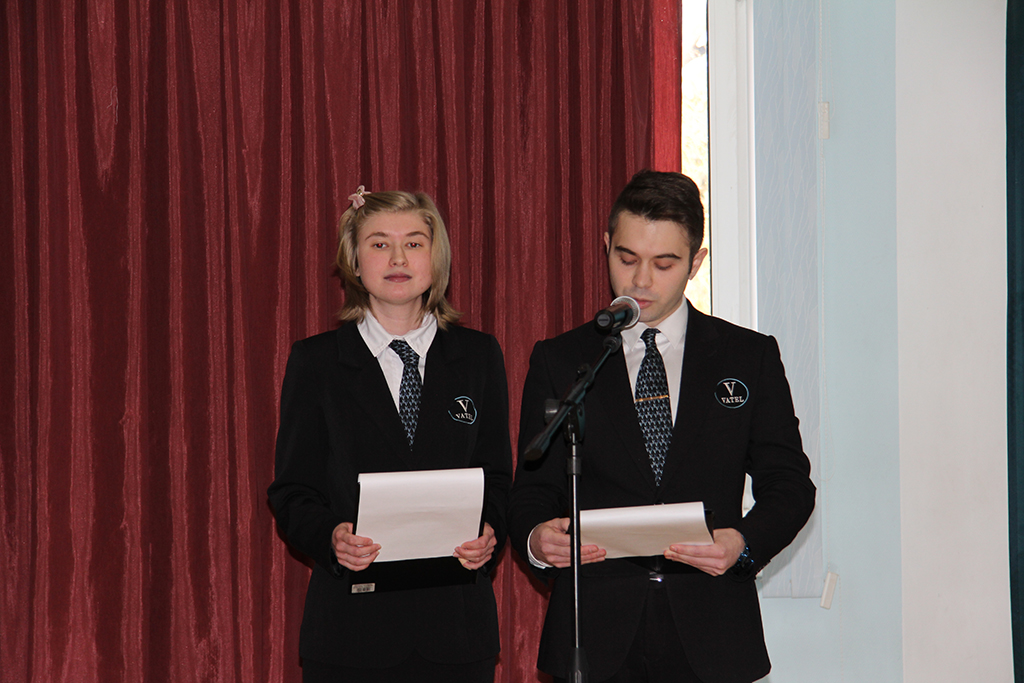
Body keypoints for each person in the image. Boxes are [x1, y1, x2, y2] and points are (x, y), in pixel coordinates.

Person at [509, 170, 816, 683]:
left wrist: (742, 543)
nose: (641, 281)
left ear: (696, 262)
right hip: (594, 629)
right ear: (606, 246)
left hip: (713, 628)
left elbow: (790, 484)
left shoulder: (748, 355)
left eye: (665, 263)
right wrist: (538, 539)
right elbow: (531, 490)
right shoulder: (561, 359)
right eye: (626, 258)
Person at [268, 186, 513, 682]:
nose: (398, 258)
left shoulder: (478, 356)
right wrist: (332, 536)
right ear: (354, 262)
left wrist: (490, 530)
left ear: (436, 259)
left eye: (414, 243)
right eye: (379, 243)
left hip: (457, 630)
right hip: (350, 632)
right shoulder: (316, 363)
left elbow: (499, 478)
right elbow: (292, 491)